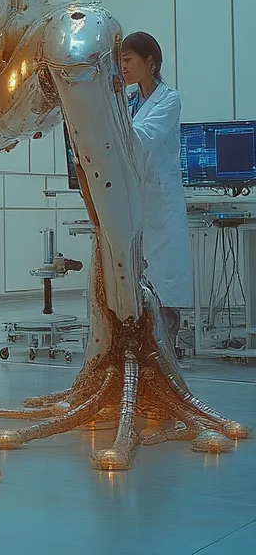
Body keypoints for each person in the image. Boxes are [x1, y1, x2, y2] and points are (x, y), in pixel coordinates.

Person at [120, 31, 192, 344]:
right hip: (132, 201)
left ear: (150, 62)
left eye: (127, 60)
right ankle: (138, 345)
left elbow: (142, 137)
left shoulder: (169, 100)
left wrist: (108, 122)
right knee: (132, 279)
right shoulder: (127, 101)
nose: (122, 67)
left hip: (159, 202)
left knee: (163, 277)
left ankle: (167, 347)